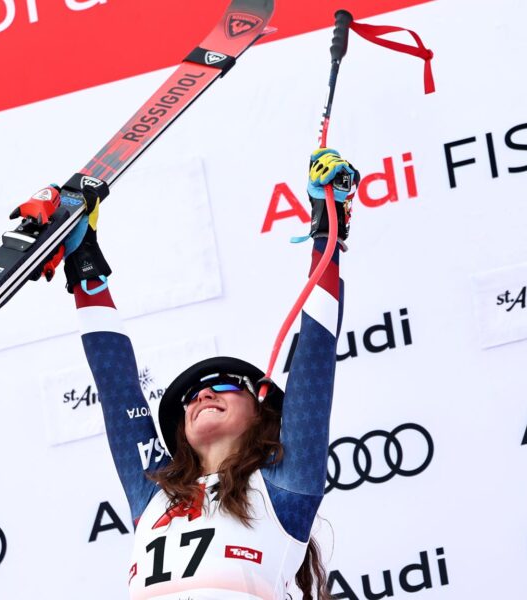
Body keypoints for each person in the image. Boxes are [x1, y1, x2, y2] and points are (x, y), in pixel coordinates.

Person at [61, 148, 359, 600]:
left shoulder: (284, 484)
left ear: (262, 413)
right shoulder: (154, 494)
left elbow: (316, 350)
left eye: (222, 385)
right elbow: (117, 384)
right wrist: (85, 268)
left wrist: (328, 223)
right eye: (191, 397)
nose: (201, 395)